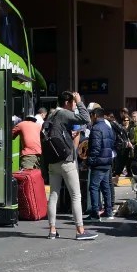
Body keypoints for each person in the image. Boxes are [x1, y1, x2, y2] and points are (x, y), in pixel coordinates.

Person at [45, 91, 98, 241]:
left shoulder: (52, 114)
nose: (74, 105)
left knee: (53, 195)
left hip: (53, 160)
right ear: (67, 102)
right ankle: (80, 230)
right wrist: (80, 101)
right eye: (73, 102)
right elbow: (86, 118)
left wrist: (69, 134)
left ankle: (52, 230)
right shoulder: (63, 113)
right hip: (66, 160)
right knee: (76, 195)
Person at [86, 107, 115, 222]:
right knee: (105, 187)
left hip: (98, 162)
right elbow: (111, 143)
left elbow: (95, 147)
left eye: (91, 115)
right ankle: (108, 212)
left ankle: (95, 213)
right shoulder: (108, 127)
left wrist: (90, 161)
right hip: (107, 161)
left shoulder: (96, 128)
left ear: (95, 115)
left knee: (93, 187)